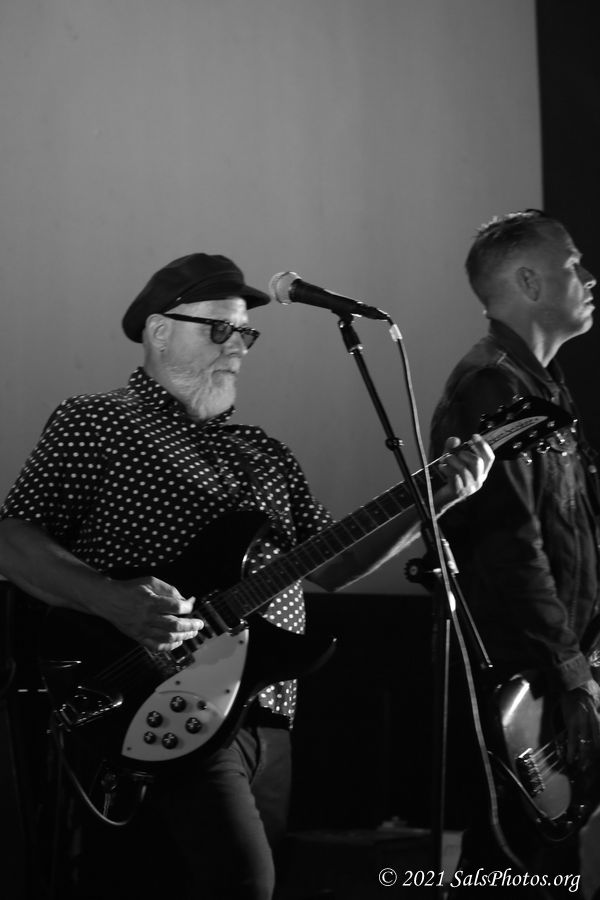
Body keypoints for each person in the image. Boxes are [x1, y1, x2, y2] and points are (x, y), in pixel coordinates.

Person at [0, 252, 493, 900]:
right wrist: (112, 600)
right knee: (243, 882)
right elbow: (11, 540)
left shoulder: (264, 453)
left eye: (246, 333)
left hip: (265, 713)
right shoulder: (98, 421)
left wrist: (435, 501)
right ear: (159, 331)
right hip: (154, 695)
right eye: (220, 329)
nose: (238, 347)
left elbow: (335, 564)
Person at [429, 210, 600, 891]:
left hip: (555, 667)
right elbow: (511, 550)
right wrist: (570, 673)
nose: (588, 277)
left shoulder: (540, 384)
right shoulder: (491, 388)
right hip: (525, 684)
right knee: (516, 867)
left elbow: (568, 536)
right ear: (529, 282)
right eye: (573, 264)